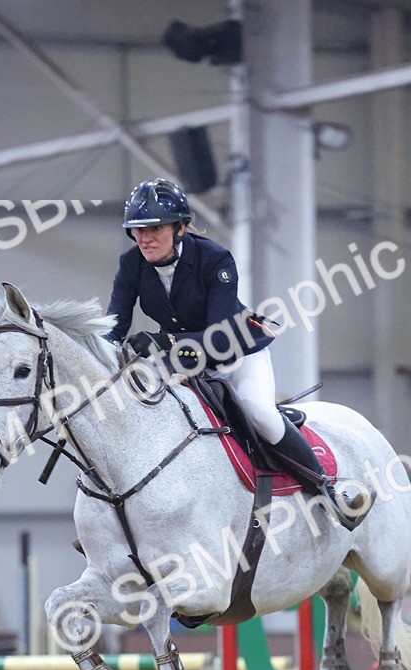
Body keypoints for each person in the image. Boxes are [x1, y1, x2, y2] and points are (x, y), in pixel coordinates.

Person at [107, 177, 361, 531]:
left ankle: (326, 491)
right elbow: (113, 326)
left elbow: (219, 339)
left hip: (237, 356)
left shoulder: (214, 259)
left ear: (179, 228)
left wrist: (163, 342)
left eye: (155, 228)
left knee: (261, 415)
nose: (144, 238)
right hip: (183, 363)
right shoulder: (131, 264)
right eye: (137, 230)